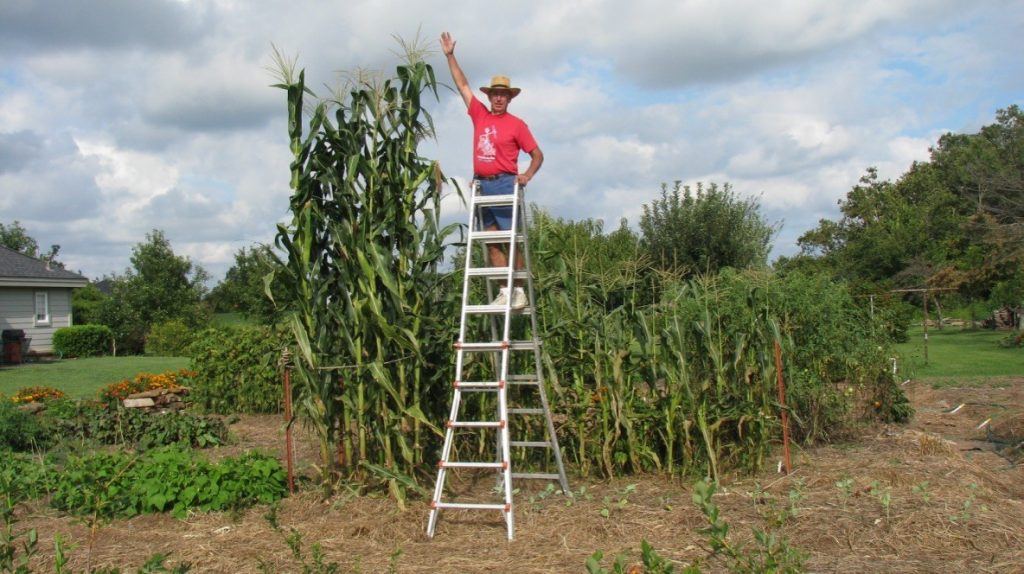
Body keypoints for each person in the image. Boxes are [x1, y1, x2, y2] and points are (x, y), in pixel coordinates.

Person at [440, 31, 544, 309]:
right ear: (490, 96)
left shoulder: (517, 125)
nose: (498, 99)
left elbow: (537, 155)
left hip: (505, 184)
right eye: (495, 94)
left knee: (510, 240)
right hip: (482, 184)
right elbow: (462, 85)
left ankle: (518, 290)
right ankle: (504, 290)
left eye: (503, 96)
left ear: (509, 99)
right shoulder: (479, 114)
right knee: (491, 241)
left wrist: (527, 175)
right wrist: (450, 56)